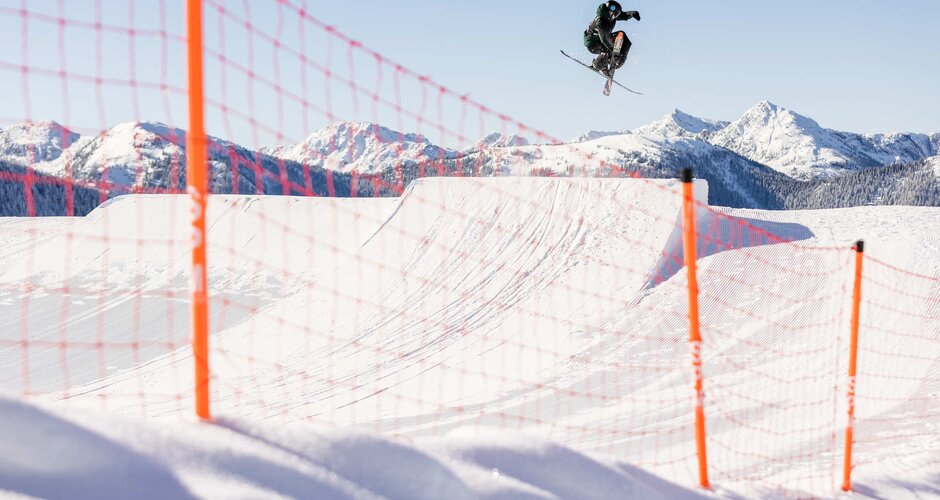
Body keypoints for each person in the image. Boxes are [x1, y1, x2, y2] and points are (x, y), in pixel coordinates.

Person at [583, 1, 640, 77]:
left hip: (603, 40)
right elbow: (604, 39)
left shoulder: (612, 16)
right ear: (607, 11)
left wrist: (632, 13)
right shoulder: (600, 21)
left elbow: (623, 15)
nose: (614, 17)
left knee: (622, 36)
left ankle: (615, 63)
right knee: (609, 50)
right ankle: (597, 64)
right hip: (593, 44)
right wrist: (614, 51)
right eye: (614, 14)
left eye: (616, 15)